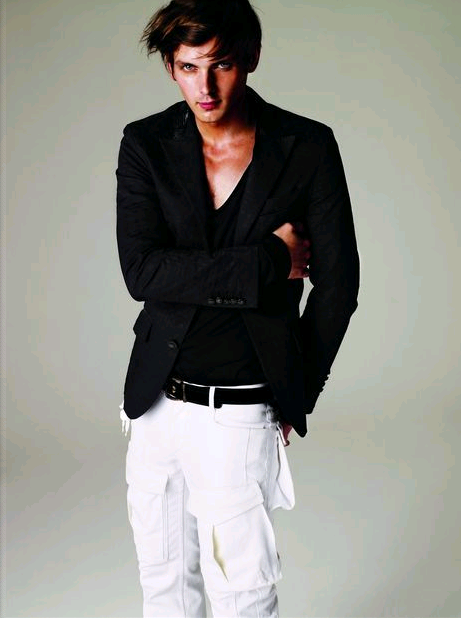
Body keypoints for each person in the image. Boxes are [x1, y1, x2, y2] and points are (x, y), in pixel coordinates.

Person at [115, 0, 360, 616]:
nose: (205, 87)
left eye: (220, 65)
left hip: (241, 405)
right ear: (171, 68)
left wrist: (298, 388)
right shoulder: (146, 143)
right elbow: (143, 272)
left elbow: (339, 287)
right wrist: (270, 260)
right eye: (188, 67)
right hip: (154, 404)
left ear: (250, 58)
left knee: (242, 593)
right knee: (164, 586)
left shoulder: (305, 146)